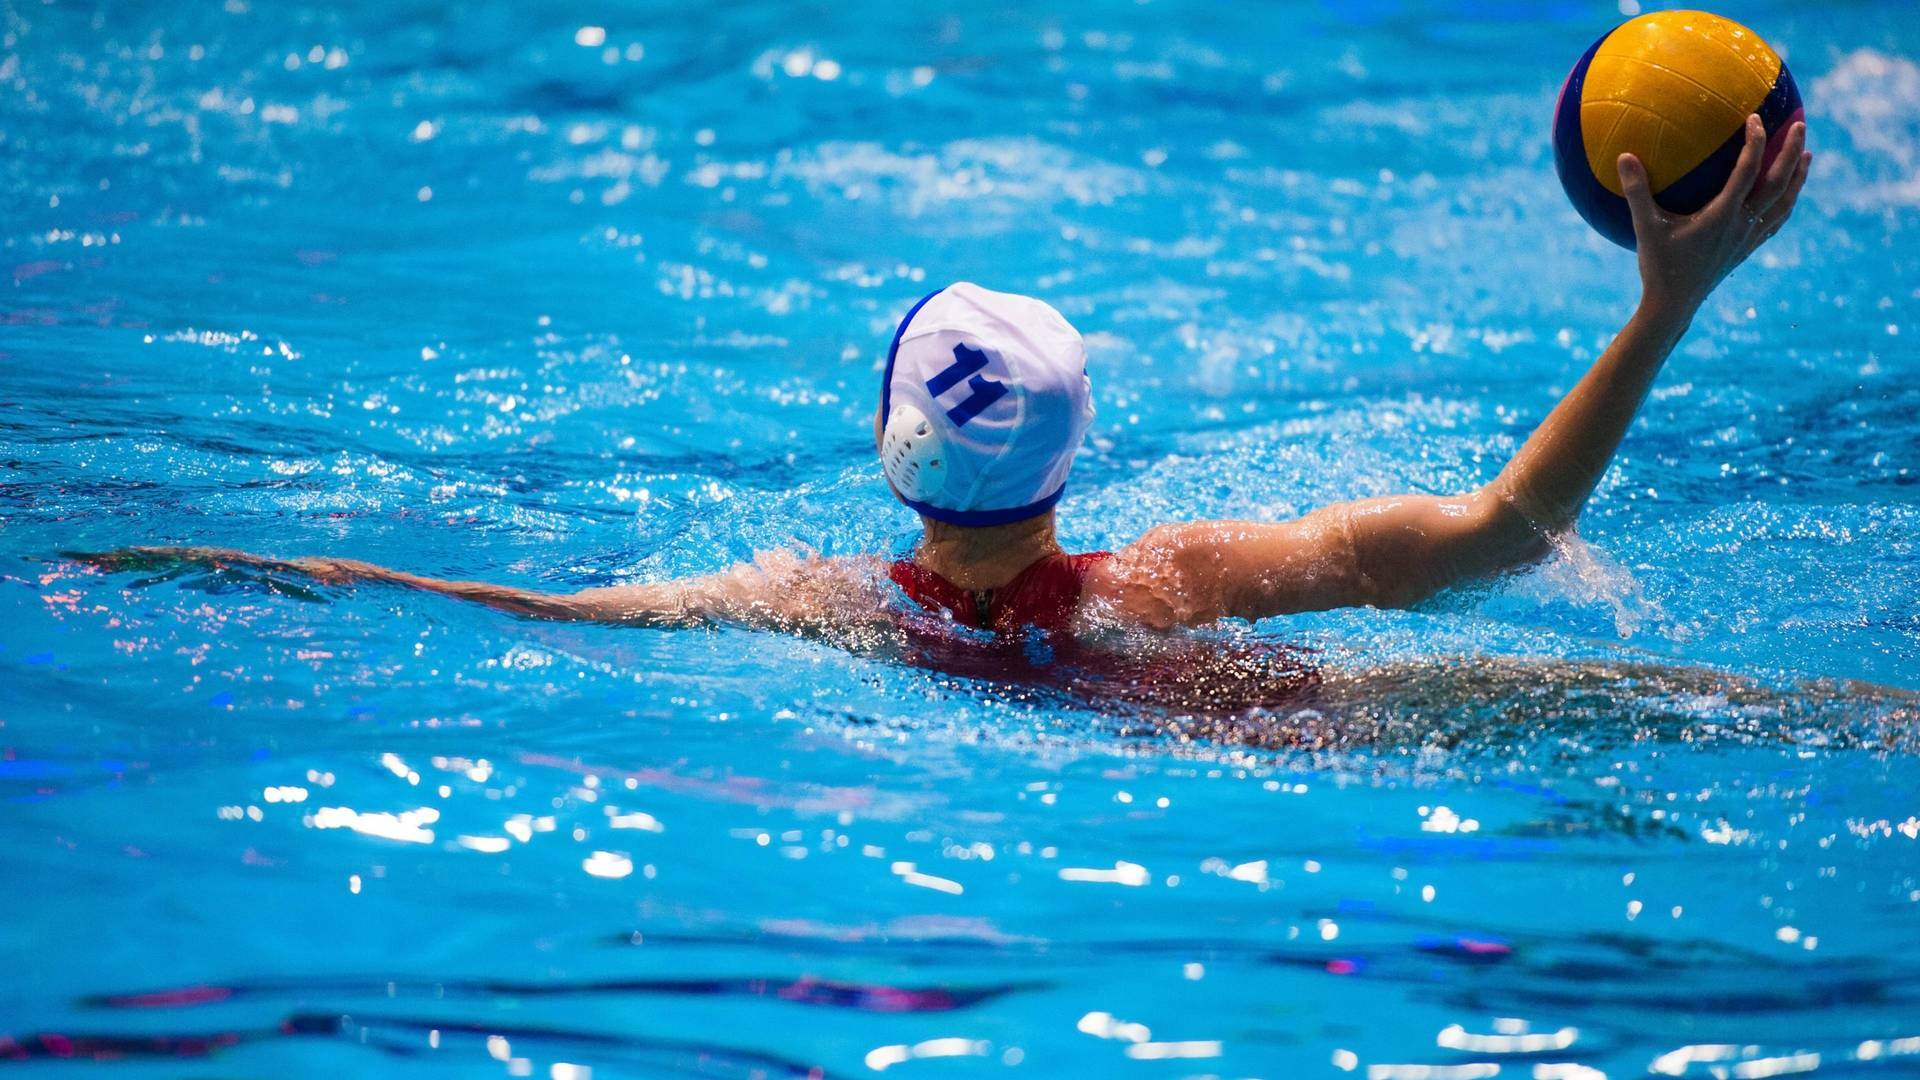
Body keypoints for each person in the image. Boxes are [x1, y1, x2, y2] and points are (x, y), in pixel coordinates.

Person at [96, 120, 1812, 655]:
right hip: (1296, 741)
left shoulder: (826, 611)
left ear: (886, 444)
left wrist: (319, 567)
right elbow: (1515, 526)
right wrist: (1669, 299)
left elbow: (534, 605)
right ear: (1087, 446)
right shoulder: (1183, 578)